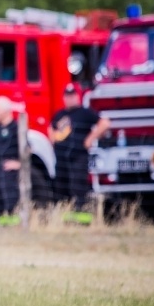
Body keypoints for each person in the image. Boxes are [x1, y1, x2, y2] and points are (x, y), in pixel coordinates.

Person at [48, 84, 110, 223]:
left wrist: (90, 138)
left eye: (72, 95)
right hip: (61, 158)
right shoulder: (60, 115)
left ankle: (81, 218)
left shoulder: (85, 113)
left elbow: (104, 123)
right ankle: (65, 216)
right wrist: (54, 140)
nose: (69, 99)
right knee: (61, 187)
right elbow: (51, 128)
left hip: (78, 157)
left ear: (78, 96)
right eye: (67, 96)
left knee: (78, 186)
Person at [0, 97, 21, 226]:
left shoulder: (16, 128)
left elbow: (27, 149)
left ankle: (12, 223)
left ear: (6, 111)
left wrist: (18, 164)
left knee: (10, 196)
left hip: (9, 169)